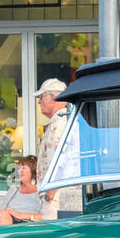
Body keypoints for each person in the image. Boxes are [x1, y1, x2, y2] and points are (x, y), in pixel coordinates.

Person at [34, 77, 80, 218]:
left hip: (57, 197)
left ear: (53, 97)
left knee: (52, 237)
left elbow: (60, 161)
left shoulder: (59, 123)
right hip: (61, 195)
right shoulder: (65, 120)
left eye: (41, 97)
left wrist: (50, 194)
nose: (39, 101)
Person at [0, 155, 43, 225]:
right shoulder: (14, 188)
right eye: (19, 168)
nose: (19, 171)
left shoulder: (42, 190)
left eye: (23, 168)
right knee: (2, 213)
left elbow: (47, 217)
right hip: (8, 221)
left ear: (33, 169)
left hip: (29, 225)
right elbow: (1, 210)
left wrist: (20, 215)